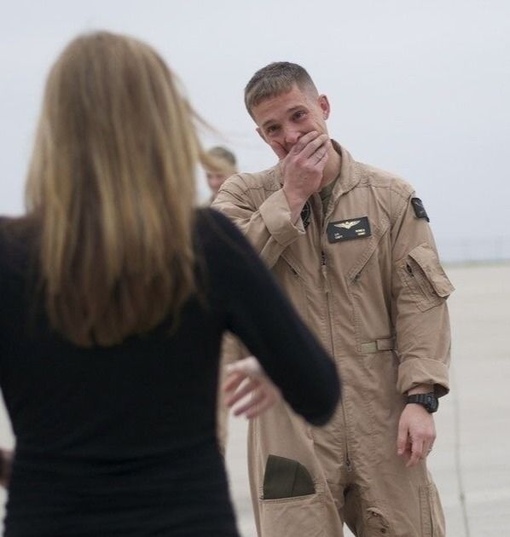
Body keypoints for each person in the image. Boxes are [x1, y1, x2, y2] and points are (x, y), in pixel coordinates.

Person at [0, 36, 341, 537]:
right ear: (161, 122)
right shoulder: (206, 243)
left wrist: (27, 470)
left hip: (47, 516)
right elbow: (319, 392)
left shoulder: (8, 253)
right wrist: (273, 363)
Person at [212, 61, 454, 537]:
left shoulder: (389, 197)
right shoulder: (243, 196)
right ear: (261, 136)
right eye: (273, 128)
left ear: (323, 107)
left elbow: (420, 300)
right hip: (288, 425)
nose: (290, 136)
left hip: (383, 417)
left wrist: (421, 397)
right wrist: (290, 198)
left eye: (299, 115)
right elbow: (222, 274)